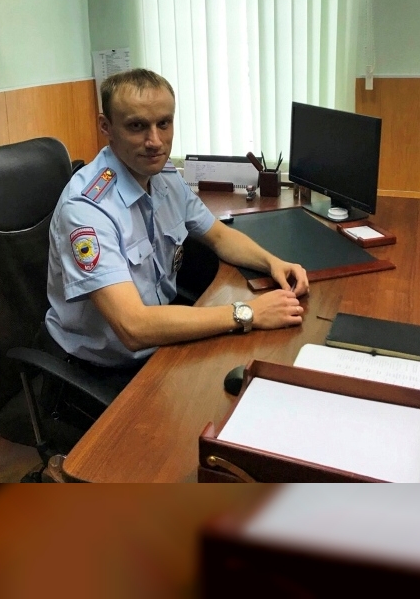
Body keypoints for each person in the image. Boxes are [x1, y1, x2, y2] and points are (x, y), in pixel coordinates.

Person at [42, 69, 309, 389]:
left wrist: (272, 263)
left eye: (164, 123)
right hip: (104, 368)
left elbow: (219, 236)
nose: (155, 141)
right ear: (106, 127)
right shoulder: (87, 210)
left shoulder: (163, 176)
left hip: (160, 342)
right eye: (137, 126)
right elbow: (133, 327)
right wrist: (248, 313)